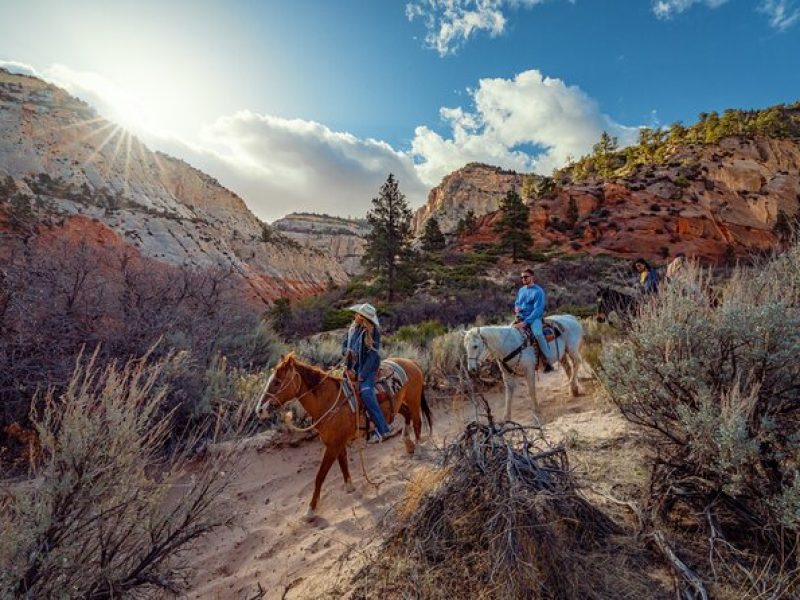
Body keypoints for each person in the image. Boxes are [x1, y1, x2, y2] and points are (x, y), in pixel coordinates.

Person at [341, 303, 401, 443]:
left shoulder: (373, 332)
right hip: (352, 366)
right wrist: (346, 353)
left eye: (360, 316)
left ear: (365, 319)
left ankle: (383, 428)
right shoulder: (352, 330)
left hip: (368, 367)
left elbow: (373, 356)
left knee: (366, 392)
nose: (357, 317)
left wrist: (362, 375)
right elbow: (344, 345)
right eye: (357, 315)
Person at [512, 267, 557, 372]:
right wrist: (516, 309)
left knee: (537, 334)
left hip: (534, 318)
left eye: (525, 277)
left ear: (532, 277)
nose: (523, 279)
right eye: (522, 277)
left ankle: (548, 361)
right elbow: (517, 302)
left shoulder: (538, 291)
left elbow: (538, 310)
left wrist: (525, 322)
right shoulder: (521, 290)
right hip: (521, 316)